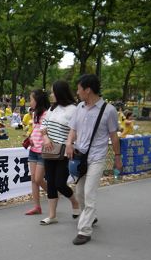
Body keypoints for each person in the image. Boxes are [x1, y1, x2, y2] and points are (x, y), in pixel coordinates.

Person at [65, 74, 122, 245]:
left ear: (87, 90)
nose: (77, 92)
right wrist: (69, 143)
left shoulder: (109, 110)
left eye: (79, 88)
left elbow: (114, 136)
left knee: (89, 193)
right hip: (80, 157)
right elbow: (73, 130)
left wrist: (117, 158)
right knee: (80, 193)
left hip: (97, 158)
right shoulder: (79, 108)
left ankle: (84, 231)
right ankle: (91, 217)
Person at [39, 81, 80, 224]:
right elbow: (43, 126)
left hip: (65, 152)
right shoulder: (52, 108)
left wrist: (70, 143)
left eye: (53, 92)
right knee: (50, 182)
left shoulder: (74, 110)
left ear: (60, 93)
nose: (51, 94)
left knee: (60, 183)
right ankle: (52, 215)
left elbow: (76, 131)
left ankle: (74, 202)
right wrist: (45, 138)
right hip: (49, 151)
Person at [24, 89, 50, 215]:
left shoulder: (47, 115)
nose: (30, 102)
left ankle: (52, 193)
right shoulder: (35, 114)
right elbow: (35, 130)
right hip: (33, 150)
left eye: (31, 99)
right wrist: (30, 139)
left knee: (38, 178)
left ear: (37, 100)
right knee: (33, 179)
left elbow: (46, 132)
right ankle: (37, 207)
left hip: (43, 151)